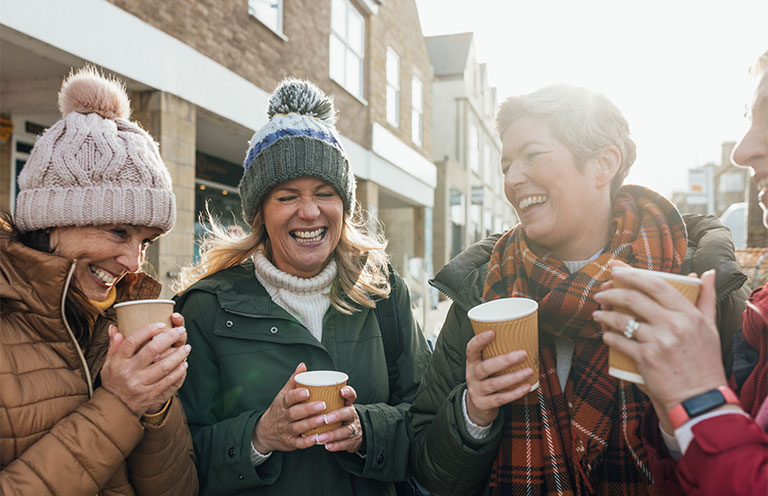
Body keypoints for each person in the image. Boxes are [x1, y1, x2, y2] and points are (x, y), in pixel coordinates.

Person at [408, 84, 749, 495]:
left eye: (532, 155)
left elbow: (742, 465)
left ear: (603, 164)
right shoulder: (486, 290)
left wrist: (677, 414)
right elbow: (427, 469)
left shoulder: (695, 285)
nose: (513, 179)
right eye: (506, 164)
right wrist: (473, 413)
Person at [175, 77, 431, 495]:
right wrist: (259, 437)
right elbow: (177, 456)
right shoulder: (205, 308)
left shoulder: (384, 296)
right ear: (260, 212)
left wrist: (365, 431)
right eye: (287, 196)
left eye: (325, 193)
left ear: (344, 207)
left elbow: (427, 423)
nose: (309, 212)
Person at [0, 67, 198, 495]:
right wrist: (120, 405)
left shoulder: (113, 324)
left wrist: (155, 401)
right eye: (118, 231)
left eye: (146, 241)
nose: (133, 262)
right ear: (52, 223)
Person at [593, 50, 768, 495]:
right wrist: (676, 409)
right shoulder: (761, 312)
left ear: (604, 166)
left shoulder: (725, 292)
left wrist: (700, 398)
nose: (743, 151)